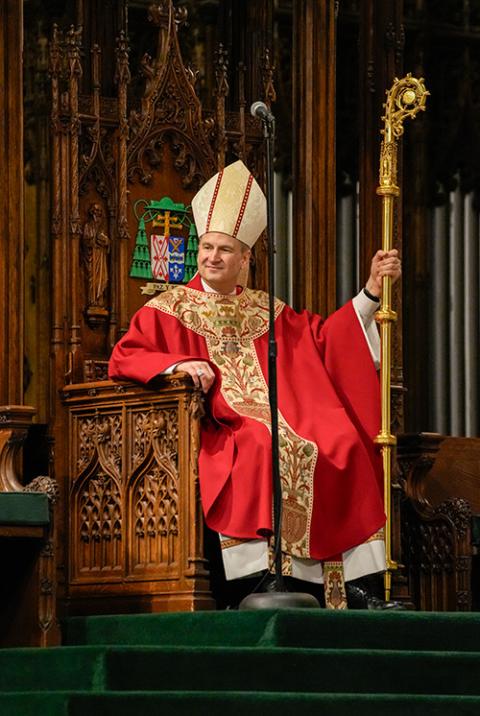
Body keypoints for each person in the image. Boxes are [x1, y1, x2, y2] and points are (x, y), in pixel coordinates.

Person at [109, 160, 403, 610]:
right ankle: (261, 576)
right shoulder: (167, 309)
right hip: (217, 424)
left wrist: (369, 293)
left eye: (224, 249)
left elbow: (324, 342)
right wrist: (180, 364)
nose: (212, 257)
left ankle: (350, 583)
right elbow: (127, 356)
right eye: (206, 247)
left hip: (285, 415)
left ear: (246, 257)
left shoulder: (268, 309)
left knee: (339, 441)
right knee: (260, 441)